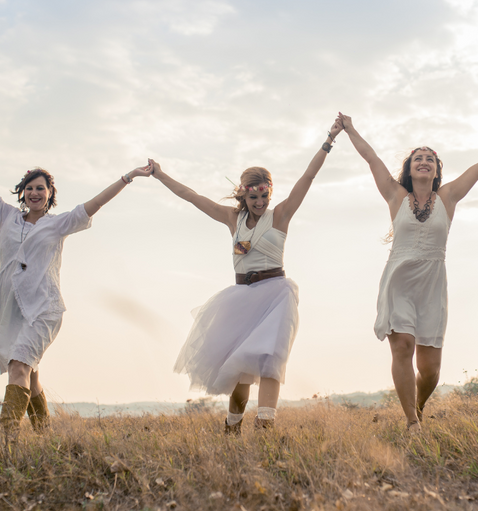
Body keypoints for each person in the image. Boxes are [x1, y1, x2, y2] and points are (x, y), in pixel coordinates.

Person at [0, 120, 151, 434]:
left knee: (18, 365)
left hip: (43, 309)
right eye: (29, 187)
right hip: (11, 310)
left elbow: (96, 203)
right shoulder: (6, 216)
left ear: (49, 194)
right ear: (22, 192)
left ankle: (7, 441)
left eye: (40, 188)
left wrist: (128, 177)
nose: (34, 192)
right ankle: (45, 434)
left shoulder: (59, 224)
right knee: (29, 376)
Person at [147, 119, 343, 433]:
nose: (260, 202)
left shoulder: (280, 215)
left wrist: (328, 141)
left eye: (264, 196)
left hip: (275, 294)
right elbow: (191, 196)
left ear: (269, 193)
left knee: (269, 360)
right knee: (239, 368)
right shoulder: (232, 218)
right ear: (243, 195)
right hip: (241, 298)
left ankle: (266, 423)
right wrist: (159, 174)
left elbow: (308, 176)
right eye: (253, 197)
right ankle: (232, 425)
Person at [340, 113, 478, 432]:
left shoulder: (448, 197)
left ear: (437, 169)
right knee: (403, 346)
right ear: (410, 168)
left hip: (432, 285)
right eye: (418, 158)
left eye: (430, 158)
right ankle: (412, 423)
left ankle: (417, 405)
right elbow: (370, 157)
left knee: (430, 371)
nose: (424, 161)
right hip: (399, 280)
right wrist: (350, 129)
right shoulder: (395, 195)